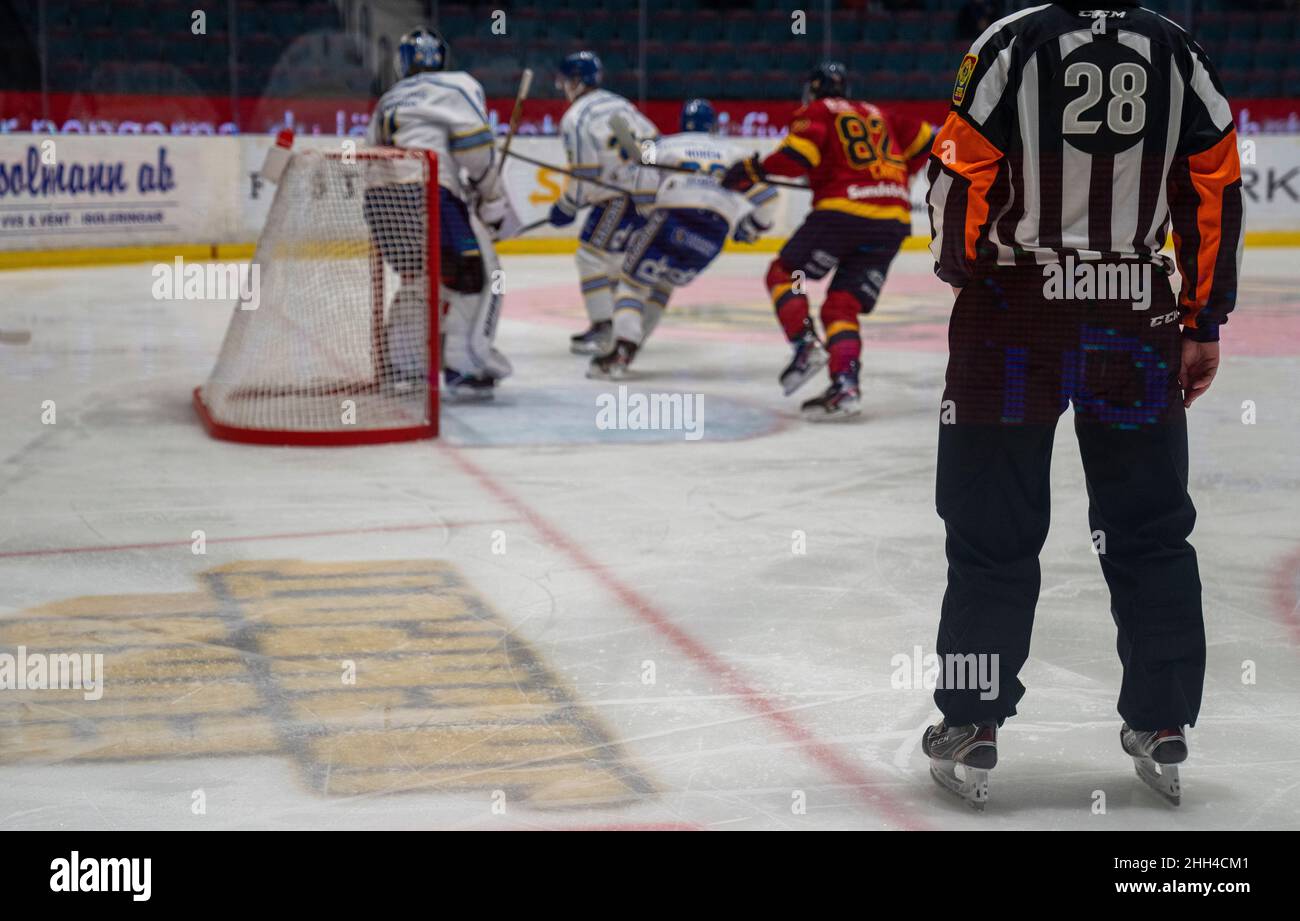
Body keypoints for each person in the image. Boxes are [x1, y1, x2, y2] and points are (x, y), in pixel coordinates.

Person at [922, 0, 1243, 809]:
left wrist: (973, 278)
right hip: (1133, 311)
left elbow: (958, 171)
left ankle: (972, 720)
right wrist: (1202, 320)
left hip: (1016, 312)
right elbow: (1215, 184)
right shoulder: (1178, 48)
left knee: (990, 525)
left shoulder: (1013, 38)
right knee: (1150, 526)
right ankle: (1163, 717)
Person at [722, 62, 934, 420]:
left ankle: (805, 345)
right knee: (841, 306)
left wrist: (751, 172)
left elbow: (796, 158)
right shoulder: (879, 113)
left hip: (843, 213)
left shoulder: (817, 111)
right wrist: (899, 177)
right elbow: (930, 140)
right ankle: (846, 387)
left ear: (814, 89)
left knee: (783, 274)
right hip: (893, 222)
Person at [366, 27, 514, 399]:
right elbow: (475, 148)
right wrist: (492, 198)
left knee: (419, 279)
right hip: (428, 193)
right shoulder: (458, 85)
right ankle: (463, 366)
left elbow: (374, 150)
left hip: (380, 200)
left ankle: (403, 369)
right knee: (472, 278)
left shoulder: (390, 97)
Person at [587, 99, 778, 378]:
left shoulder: (659, 145)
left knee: (632, 285)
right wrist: (751, 227)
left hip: (671, 219)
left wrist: (648, 209)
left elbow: (643, 189)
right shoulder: (737, 153)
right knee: (663, 286)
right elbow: (769, 199)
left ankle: (622, 350)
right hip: (713, 235)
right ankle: (632, 347)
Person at [550, 51, 659, 356]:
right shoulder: (621, 104)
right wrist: (640, 172)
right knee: (617, 262)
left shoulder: (576, 117)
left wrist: (568, 205)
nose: (564, 89)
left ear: (575, 81)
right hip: (646, 198)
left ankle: (604, 328)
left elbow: (585, 174)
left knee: (591, 257)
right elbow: (654, 142)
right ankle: (625, 326)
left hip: (616, 200)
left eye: (565, 82)